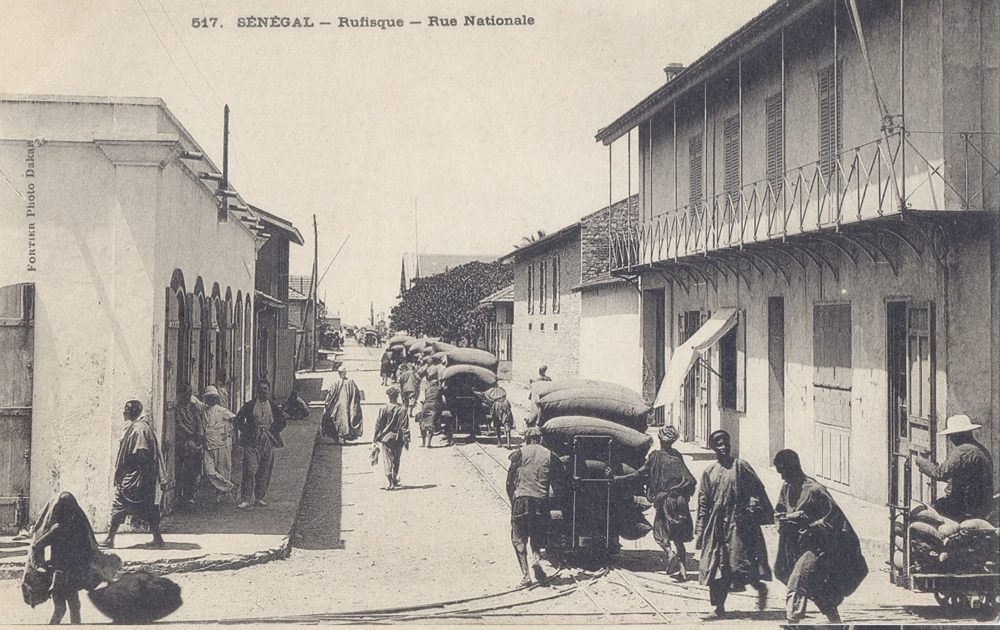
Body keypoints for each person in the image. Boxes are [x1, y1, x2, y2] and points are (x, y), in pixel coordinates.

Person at [773, 449, 867, 624]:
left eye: (784, 472)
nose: (782, 477)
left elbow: (835, 519)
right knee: (816, 588)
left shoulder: (815, 490)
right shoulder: (786, 487)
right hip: (796, 546)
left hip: (817, 547)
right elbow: (779, 511)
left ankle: (792, 623)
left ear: (794, 468)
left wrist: (807, 523)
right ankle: (835, 622)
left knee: (797, 582)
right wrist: (783, 521)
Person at [695, 429, 773, 619]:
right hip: (716, 525)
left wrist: (753, 506)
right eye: (719, 445)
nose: (723, 448)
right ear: (713, 448)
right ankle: (718, 608)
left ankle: (760, 588)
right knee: (715, 565)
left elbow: (757, 490)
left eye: (726, 444)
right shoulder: (709, 471)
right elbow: (703, 501)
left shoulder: (740, 466)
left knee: (740, 564)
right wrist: (700, 528)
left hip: (739, 524)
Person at [610, 425, 696, 580]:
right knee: (678, 537)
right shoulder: (677, 455)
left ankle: (670, 554)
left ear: (659, 439)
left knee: (659, 532)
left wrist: (617, 478)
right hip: (681, 502)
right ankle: (683, 571)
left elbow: (638, 474)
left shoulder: (655, 457)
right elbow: (691, 480)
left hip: (666, 501)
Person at [26, 492, 121, 624]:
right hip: (66, 576)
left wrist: (42, 564)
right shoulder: (74, 527)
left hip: (64, 575)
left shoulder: (62, 527)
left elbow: (37, 546)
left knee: (65, 608)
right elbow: (38, 546)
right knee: (69, 607)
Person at [100, 400, 167, 550]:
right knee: (149, 509)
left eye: (127, 409)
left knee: (119, 506)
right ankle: (158, 539)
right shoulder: (137, 427)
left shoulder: (139, 429)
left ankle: (110, 539)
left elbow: (141, 453)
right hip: (140, 479)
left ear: (134, 411)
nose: (124, 412)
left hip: (136, 479)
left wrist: (134, 475)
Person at [505, 426, 564, 586]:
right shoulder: (550, 455)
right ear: (541, 439)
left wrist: (513, 500)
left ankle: (526, 576)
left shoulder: (519, 454)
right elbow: (560, 482)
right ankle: (537, 559)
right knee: (536, 536)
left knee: (518, 539)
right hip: (540, 502)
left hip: (521, 500)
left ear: (527, 439)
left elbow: (510, 482)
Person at [914, 414, 994, 521]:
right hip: (983, 505)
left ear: (958, 435)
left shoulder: (962, 452)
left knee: (924, 514)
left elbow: (940, 473)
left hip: (966, 508)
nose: (950, 439)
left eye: (951, 435)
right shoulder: (981, 449)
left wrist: (921, 461)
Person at [233, 381, 287, 509]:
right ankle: (246, 498)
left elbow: (282, 421)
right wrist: (247, 431)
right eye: (262, 389)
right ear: (257, 391)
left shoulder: (273, 406)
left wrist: (273, 430)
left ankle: (259, 497)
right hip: (252, 443)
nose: (264, 391)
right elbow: (238, 421)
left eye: (266, 389)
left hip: (267, 441)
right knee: (250, 469)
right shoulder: (250, 405)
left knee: (265, 469)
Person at [201, 386, 236, 502]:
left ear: (216, 399)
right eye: (208, 398)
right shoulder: (203, 411)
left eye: (213, 398)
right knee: (209, 471)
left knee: (223, 470)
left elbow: (235, 420)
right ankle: (229, 486)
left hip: (221, 445)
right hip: (208, 445)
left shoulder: (221, 411)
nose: (211, 400)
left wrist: (228, 433)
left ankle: (221, 492)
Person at [371, 386, 410, 490]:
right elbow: (405, 426)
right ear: (397, 396)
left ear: (388, 396)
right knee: (396, 459)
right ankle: (394, 478)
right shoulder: (403, 409)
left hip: (387, 438)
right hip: (399, 438)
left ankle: (390, 483)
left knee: (387, 459)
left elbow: (378, 424)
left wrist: (374, 438)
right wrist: (407, 439)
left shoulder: (383, 408)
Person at [174, 383, 206, 505]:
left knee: (195, 468)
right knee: (184, 469)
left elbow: (198, 420)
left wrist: (200, 434)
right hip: (184, 440)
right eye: (186, 393)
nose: (188, 396)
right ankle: (180, 494)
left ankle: (191, 493)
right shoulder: (178, 407)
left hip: (195, 438)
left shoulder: (193, 406)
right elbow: (180, 424)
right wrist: (191, 435)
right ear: (181, 394)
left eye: (190, 393)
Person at [321, 367, 363, 443]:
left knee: (346, 420)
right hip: (338, 406)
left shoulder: (350, 382)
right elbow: (331, 394)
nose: (341, 374)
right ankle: (338, 437)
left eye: (342, 372)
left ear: (345, 373)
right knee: (336, 420)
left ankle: (343, 437)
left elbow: (355, 394)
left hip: (347, 406)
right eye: (340, 373)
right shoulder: (336, 383)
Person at [418, 370, 443, 448]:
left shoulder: (427, 389)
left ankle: (423, 443)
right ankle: (429, 443)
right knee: (431, 424)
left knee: (423, 424)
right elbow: (443, 400)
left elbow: (422, 399)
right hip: (434, 406)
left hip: (426, 406)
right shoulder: (439, 389)